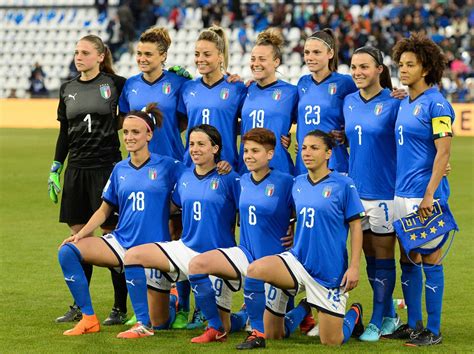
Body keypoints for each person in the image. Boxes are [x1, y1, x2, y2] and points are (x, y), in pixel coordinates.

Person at [57, 105, 183, 336]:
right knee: (67, 251)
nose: (129, 137)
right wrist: (82, 234)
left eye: (135, 132)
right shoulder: (119, 168)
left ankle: (170, 303)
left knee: (162, 322)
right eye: (125, 132)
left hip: (154, 248)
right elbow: (105, 210)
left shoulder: (168, 166)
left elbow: (195, 181)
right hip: (121, 242)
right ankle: (89, 318)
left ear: (149, 135)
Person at [117, 124, 246, 342]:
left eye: (201, 144)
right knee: (132, 256)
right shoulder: (184, 177)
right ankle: (143, 323)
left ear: (215, 149)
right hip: (185, 248)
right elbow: (172, 208)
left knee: (226, 324)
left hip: (217, 255)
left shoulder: (229, 178)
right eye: (192, 144)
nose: (195, 149)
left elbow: (250, 210)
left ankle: (242, 317)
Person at [246, 130, 366, 346]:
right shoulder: (297, 183)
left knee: (332, 341)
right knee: (255, 271)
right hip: (297, 261)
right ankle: (302, 309)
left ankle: (354, 313)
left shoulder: (343, 184)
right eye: (303, 148)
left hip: (328, 271)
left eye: (314, 148)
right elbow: (292, 214)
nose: (307, 152)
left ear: (328, 153)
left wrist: (355, 267)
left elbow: (356, 227)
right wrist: (291, 228)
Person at [188, 128, 297, 349]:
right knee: (197, 265)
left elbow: (303, 213)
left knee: (276, 332)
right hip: (245, 253)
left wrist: (295, 232)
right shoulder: (241, 180)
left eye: (255, 151)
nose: (248, 155)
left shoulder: (286, 182)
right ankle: (217, 328)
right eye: (246, 150)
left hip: (275, 260)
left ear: (270, 154)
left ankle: (303, 308)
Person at [47, 35, 129, 326]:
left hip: (106, 169)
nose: (78, 57)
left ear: (99, 56)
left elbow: (138, 105)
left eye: (84, 52)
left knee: (112, 239)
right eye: (76, 52)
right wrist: (57, 166)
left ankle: (120, 307)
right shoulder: (66, 88)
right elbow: (64, 133)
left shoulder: (116, 84)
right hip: (76, 171)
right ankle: (82, 306)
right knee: (79, 239)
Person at [387, 33, 454, 347]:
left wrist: (430, 193)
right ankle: (414, 325)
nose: (402, 69)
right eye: (400, 64)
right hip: (401, 193)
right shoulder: (405, 102)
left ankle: (434, 330)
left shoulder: (438, 104)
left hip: (424, 195)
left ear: (426, 68)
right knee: (409, 258)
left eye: (409, 64)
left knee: (431, 258)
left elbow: (443, 153)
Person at [343, 46, 402, 341]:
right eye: (354, 67)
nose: (358, 72)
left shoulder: (394, 102)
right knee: (367, 256)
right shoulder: (349, 102)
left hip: (384, 193)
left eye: (364, 67)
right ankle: (388, 313)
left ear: (379, 69)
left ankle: (378, 320)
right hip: (356, 191)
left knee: (382, 257)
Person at [178, 26, 247, 171]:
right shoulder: (187, 88)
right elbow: (181, 124)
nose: (200, 59)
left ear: (220, 56)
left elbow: (248, 123)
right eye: (197, 54)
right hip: (192, 167)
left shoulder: (236, 88)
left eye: (207, 54)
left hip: (225, 167)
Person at [119, 26, 188, 161]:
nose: (142, 58)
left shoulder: (178, 82)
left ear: (163, 56)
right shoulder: (130, 84)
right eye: (139, 53)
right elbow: (125, 122)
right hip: (137, 163)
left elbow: (184, 121)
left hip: (171, 160)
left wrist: (164, 130)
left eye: (148, 54)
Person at [295, 29, 357, 176]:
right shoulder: (302, 83)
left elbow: (363, 110)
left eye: (316, 52)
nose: (310, 57)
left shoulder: (345, 83)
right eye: (307, 52)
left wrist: (346, 135)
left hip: (335, 163)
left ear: (330, 54)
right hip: (303, 165)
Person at [238, 29, 297, 176]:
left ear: (276, 61)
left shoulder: (291, 92)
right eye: (253, 59)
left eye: (262, 59)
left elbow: (307, 122)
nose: (256, 63)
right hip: (246, 170)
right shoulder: (245, 90)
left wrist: (289, 138)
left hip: (279, 169)